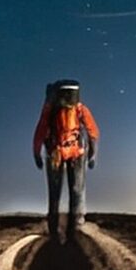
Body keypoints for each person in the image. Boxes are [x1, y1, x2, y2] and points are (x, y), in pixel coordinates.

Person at [34, 78, 100, 241]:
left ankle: (54, 229)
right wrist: (93, 154)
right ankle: (75, 228)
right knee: (77, 190)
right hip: (76, 153)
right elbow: (93, 132)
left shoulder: (50, 110)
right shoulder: (80, 109)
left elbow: (40, 131)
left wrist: (37, 154)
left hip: (55, 154)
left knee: (55, 193)